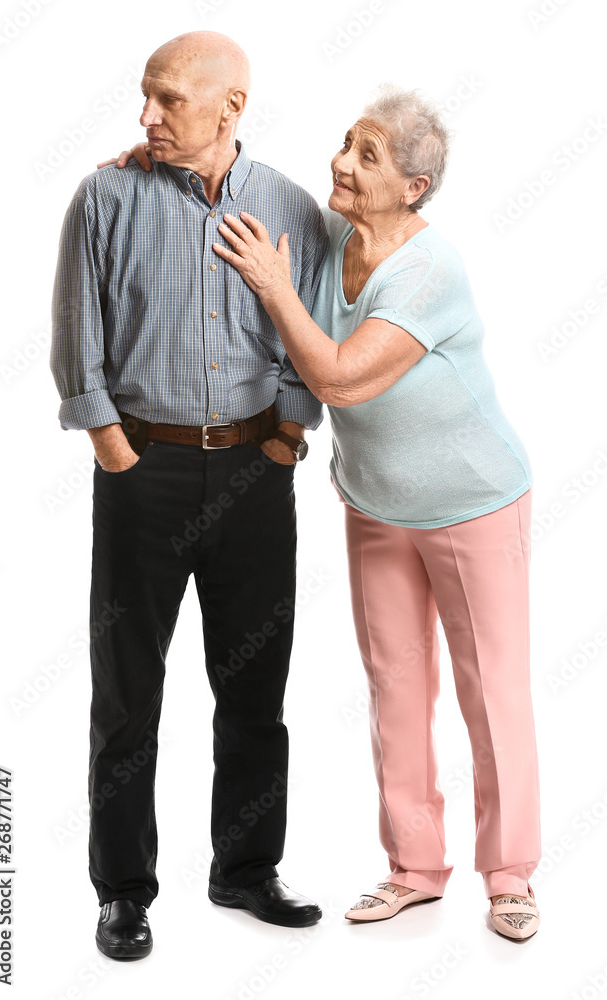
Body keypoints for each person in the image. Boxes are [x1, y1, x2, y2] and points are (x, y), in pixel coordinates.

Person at [210, 84, 541, 941]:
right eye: (344, 143)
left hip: (471, 504)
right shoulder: (333, 236)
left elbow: (340, 377)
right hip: (376, 506)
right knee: (395, 687)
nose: (340, 164)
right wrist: (146, 165)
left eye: (367, 156)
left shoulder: (430, 268)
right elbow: (253, 183)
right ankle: (413, 869)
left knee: (488, 693)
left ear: (414, 187)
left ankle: (508, 876)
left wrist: (277, 289)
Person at [50, 30, 328, 960]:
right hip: (144, 473)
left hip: (257, 473)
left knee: (255, 685)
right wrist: (113, 448)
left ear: (230, 107)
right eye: (146, 97)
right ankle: (123, 891)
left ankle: (245, 870)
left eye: (168, 100)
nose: (147, 117)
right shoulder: (105, 195)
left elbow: (310, 333)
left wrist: (287, 438)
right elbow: (75, 335)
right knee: (126, 694)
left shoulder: (290, 206)